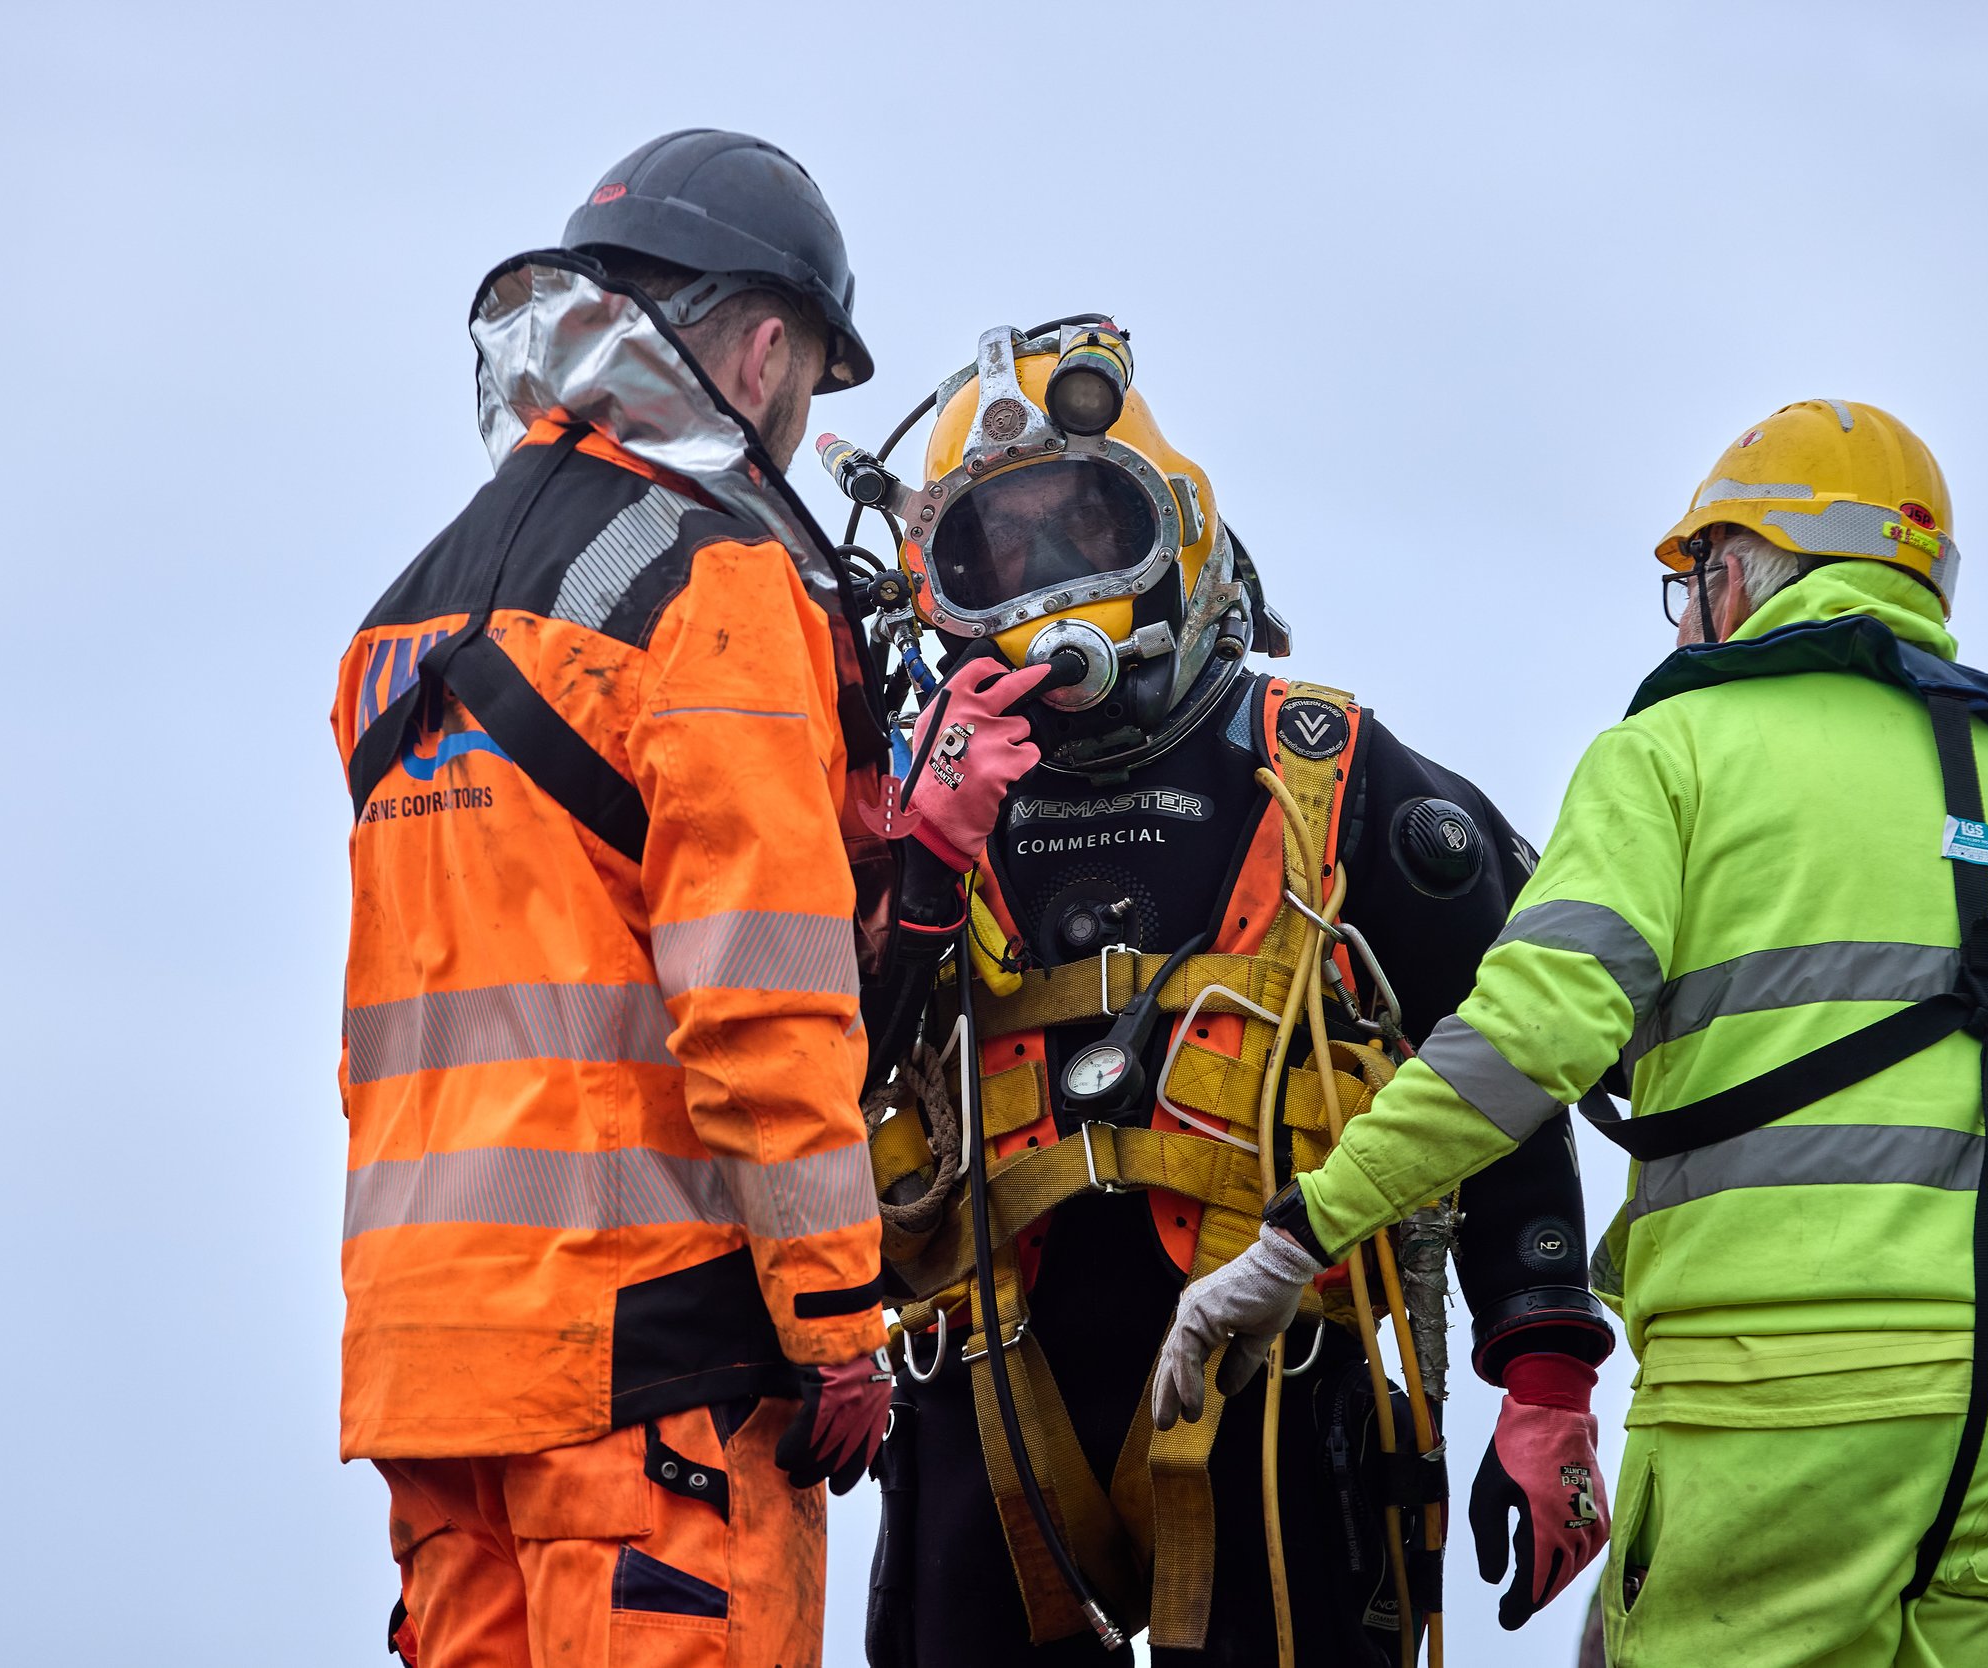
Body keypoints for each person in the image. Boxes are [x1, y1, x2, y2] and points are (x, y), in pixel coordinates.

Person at [1158, 399, 1988, 1666]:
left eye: (1691, 581)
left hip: (1780, 1417)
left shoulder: (1672, 751)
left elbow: (1522, 1044)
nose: (1687, 613)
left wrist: (1300, 1235)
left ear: (1736, 571)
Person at [839, 322, 1616, 1665]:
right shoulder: (918, 813)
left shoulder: (1324, 773)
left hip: (1276, 1393)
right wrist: (918, 868)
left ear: (1179, 531)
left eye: (1081, 527)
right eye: (996, 552)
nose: (1042, 587)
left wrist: (1543, 1375)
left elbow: (1501, 1057)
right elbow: (804, 1068)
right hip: (987, 1394)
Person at [332, 129, 901, 1668]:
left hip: (426, 1361)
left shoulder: (402, 617)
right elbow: (761, 998)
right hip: (646, 1371)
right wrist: (840, 1322)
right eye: (807, 381)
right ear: (770, 348)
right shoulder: (713, 585)